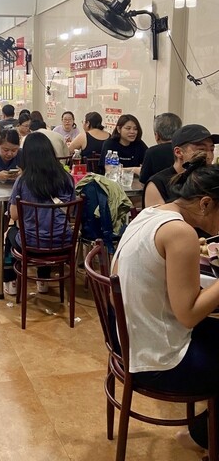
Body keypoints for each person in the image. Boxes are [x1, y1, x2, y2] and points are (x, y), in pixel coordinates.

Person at [111, 153, 219, 454]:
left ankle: (203, 433)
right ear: (206, 203)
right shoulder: (180, 233)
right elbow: (188, 315)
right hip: (157, 360)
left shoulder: (153, 213)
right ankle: (202, 437)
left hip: (129, 339)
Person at [3, 132, 76, 296]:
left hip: (31, 244)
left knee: (10, 235)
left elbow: (14, 215)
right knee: (47, 229)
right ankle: (43, 279)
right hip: (63, 243)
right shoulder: (67, 179)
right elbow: (70, 211)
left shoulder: (23, 181)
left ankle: (10, 280)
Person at [143, 124, 218, 207]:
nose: (209, 156)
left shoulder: (211, 180)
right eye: (201, 149)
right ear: (178, 152)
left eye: (212, 150)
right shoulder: (158, 184)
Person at [139, 112, 183, 184]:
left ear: (157, 135)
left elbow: (143, 179)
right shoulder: (184, 150)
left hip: (158, 189)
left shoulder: (152, 152)